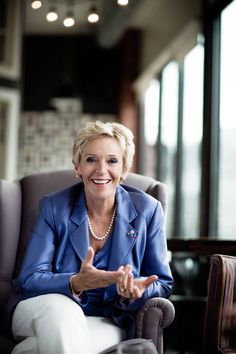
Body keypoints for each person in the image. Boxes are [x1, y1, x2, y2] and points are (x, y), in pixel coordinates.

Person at [10, 121, 173, 354]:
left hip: (106, 319)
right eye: (91, 160)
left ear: (125, 168)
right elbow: (29, 279)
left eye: (112, 160)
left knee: (32, 350)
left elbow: (163, 283)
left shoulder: (148, 210)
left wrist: (136, 292)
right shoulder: (54, 207)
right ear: (77, 166)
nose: (101, 170)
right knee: (63, 312)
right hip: (41, 307)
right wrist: (76, 282)